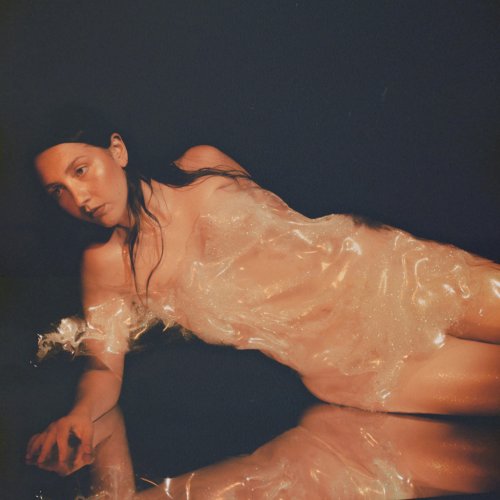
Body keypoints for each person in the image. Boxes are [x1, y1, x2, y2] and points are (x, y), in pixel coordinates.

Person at [25, 113, 500, 470]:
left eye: (80, 170)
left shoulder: (203, 163)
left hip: (399, 276)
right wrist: (80, 415)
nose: (78, 198)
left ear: (117, 150)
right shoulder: (107, 266)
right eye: (58, 191)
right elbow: (104, 367)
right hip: (357, 365)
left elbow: (289, 226)